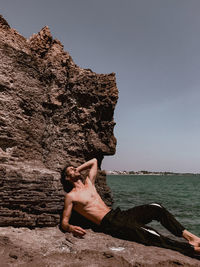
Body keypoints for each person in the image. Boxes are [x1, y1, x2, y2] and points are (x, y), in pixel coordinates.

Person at [61, 158, 200, 257]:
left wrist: (76, 169)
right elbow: (64, 222)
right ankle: (192, 249)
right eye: (71, 171)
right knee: (152, 234)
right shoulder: (71, 196)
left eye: (74, 168)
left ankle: (190, 237)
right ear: (67, 178)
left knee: (156, 207)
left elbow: (94, 161)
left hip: (118, 214)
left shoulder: (89, 183)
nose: (74, 169)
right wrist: (70, 228)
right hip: (110, 223)